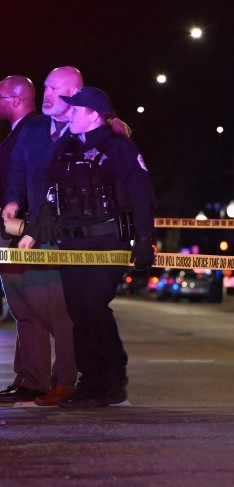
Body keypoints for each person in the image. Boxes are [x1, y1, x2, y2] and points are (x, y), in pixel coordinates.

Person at [16, 86, 156, 408]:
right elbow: (49, 192)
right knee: (78, 312)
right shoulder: (67, 146)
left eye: (75, 110)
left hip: (107, 243)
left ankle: (112, 378)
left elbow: (141, 195)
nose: (69, 115)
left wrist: (144, 239)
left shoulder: (118, 147)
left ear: (94, 115)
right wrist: (34, 230)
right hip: (72, 243)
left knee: (93, 306)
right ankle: (91, 383)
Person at [0, 68, 80, 406]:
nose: (46, 95)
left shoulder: (82, 130)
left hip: (60, 235)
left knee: (57, 313)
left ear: (74, 94)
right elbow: (17, 170)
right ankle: (33, 379)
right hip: (26, 231)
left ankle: (65, 381)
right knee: (25, 308)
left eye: (54, 89)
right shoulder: (33, 130)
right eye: (45, 87)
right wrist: (13, 200)